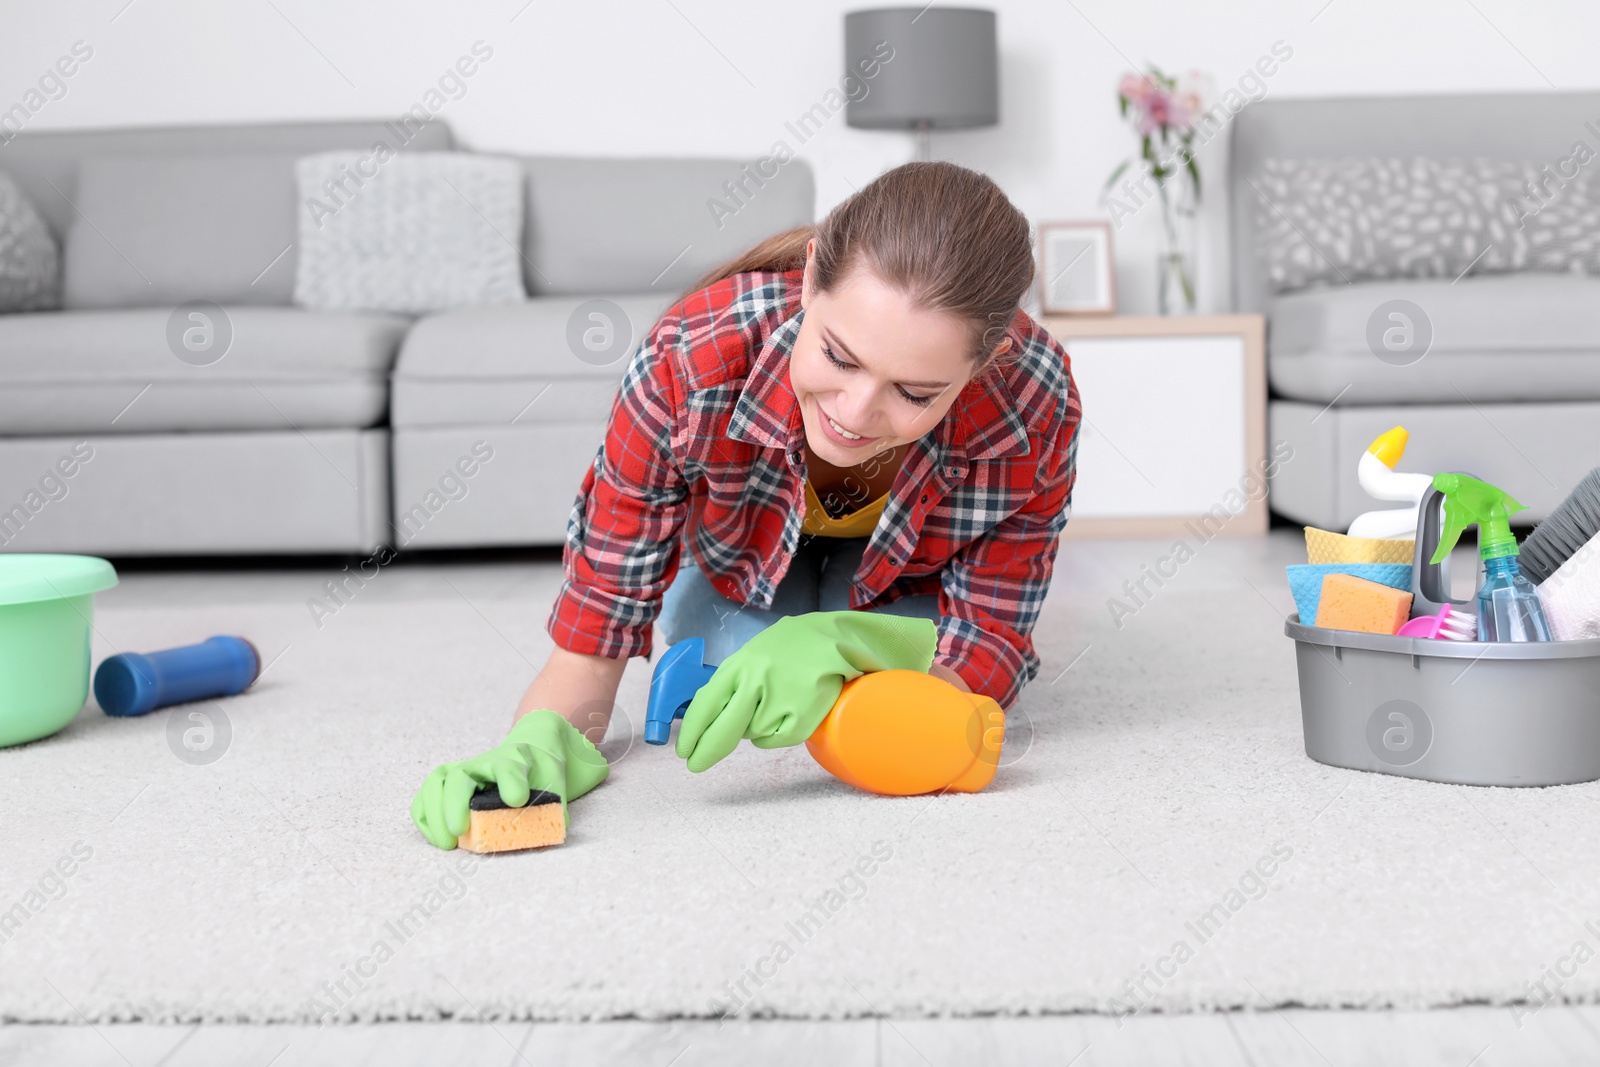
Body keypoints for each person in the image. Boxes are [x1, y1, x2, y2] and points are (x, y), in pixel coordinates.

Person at [411, 160, 1082, 850]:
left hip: (910, 572)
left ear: (987, 360)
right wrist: (540, 744)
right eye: (839, 357)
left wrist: (851, 644)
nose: (856, 412)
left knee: (918, 717)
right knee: (732, 650)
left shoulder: (1036, 397)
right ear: (812, 277)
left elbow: (988, 641)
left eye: (915, 393)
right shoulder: (687, 361)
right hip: (746, 558)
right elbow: (593, 639)